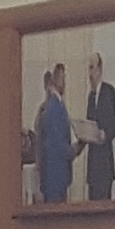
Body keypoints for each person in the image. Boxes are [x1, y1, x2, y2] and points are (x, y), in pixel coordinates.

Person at [34, 66, 75, 205]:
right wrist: (74, 150)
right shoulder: (53, 107)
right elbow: (58, 142)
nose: (65, 83)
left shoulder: (58, 105)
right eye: (63, 78)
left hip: (58, 175)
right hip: (54, 176)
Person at [83, 50, 115, 204]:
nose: (90, 73)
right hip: (93, 166)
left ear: (100, 69)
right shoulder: (91, 97)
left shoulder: (108, 91)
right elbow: (89, 124)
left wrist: (105, 134)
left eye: (92, 68)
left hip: (104, 164)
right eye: (88, 69)